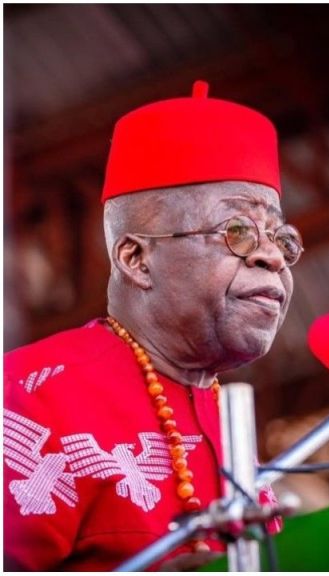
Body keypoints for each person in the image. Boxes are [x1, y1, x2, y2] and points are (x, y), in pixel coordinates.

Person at [3, 81, 303, 570]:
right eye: (238, 232)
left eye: (280, 238)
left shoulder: (230, 423)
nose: (272, 256)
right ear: (137, 259)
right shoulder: (23, 397)